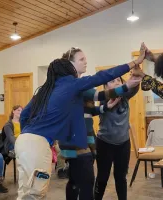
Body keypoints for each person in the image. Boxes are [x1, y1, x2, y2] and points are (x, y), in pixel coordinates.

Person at [15, 44, 146, 200]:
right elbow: (103, 77)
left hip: (23, 142)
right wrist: (135, 62)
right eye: (81, 59)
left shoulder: (46, 89)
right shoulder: (72, 84)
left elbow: (24, 116)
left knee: (26, 192)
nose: (85, 62)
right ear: (69, 66)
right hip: (44, 143)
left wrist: (27, 135)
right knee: (36, 193)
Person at [94, 76, 140, 200]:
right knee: (103, 177)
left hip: (123, 144)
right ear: (105, 86)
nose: (116, 83)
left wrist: (136, 76)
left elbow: (134, 88)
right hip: (105, 143)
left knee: (121, 178)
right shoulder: (104, 97)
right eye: (112, 81)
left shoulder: (125, 96)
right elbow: (115, 94)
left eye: (118, 80)